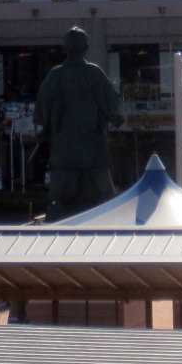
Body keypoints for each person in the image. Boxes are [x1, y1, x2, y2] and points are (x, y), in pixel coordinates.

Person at [34, 26, 121, 219]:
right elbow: (112, 104)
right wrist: (110, 116)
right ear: (86, 48)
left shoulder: (55, 75)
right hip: (92, 146)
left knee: (60, 200)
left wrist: (48, 128)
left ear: (64, 48)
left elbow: (41, 110)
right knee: (104, 198)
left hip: (64, 149)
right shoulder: (94, 73)